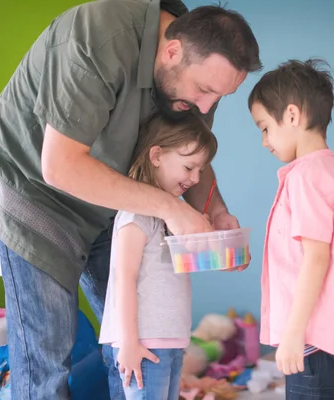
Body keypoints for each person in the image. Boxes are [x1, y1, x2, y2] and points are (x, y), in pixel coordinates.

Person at [0, 0, 261, 398]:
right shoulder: (98, 37)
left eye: (217, 97)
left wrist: (214, 209)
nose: (204, 108)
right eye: (203, 90)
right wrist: (170, 207)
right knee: (47, 358)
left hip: (114, 198)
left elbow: (185, 154)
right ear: (171, 51)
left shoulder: (190, 74)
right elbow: (60, 167)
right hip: (35, 191)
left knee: (138, 343)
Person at [248, 59, 334, 399]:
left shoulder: (304, 177)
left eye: (264, 127)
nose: (264, 141)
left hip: (316, 345)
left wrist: (293, 334)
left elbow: (316, 258)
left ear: (291, 116)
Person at [99, 112, 217, 399]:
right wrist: (128, 342)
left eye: (200, 170)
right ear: (157, 156)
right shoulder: (135, 213)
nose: (195, 178)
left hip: (172, 340)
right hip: (143, 343)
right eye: (189, 167)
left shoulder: (171, 216)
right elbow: (123, 279)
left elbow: (190, 259)